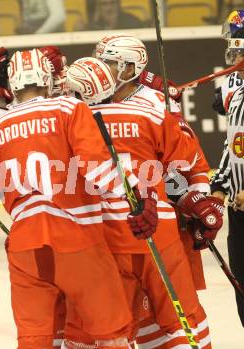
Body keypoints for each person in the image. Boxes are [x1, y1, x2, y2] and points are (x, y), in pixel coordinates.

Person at [0, 48, 135, 348]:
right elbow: (101, 172)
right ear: (48, 78)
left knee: (33, 339)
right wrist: (135, 193)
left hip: (25, 250)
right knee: (111, 334)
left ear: (12, 86)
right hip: (78, 240)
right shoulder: (69, 110)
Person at [65, 57, 223, 348]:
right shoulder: (149, 114)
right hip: (157, 232)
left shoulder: (68, 127)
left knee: (104, 332)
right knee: (182, 322)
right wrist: (196, 199)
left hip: (102, 239)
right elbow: (188, 161)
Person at [211, 8, 244, 327]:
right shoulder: (237, 96)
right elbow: (231, 148)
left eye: (238, 45)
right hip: (239, 211)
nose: (233, 52)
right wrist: (219, 186)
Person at [76, 0, 147, 31]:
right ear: (98, 8)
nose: (109, 8)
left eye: (112, 3)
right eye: (104, 4)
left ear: (118, 5)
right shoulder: (92, 27)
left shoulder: (131, 21)